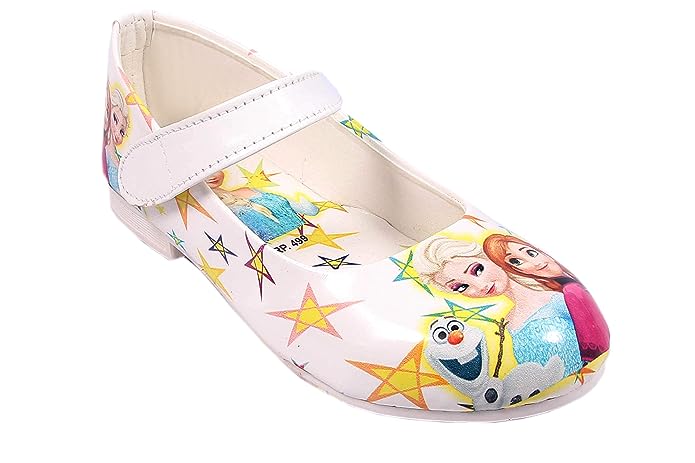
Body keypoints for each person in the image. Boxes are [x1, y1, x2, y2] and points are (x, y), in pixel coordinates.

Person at [413, 236, 582, 374]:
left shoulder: (558, 296)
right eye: (461, 287)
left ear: (488, 257)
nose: (480, 286)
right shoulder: (508, 323)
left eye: (477, 270)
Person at [483, 234, 609, 363]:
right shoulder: (563, 290)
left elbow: (594, 348)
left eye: (531, 253)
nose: (536, 263)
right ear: (514, 270)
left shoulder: (571, 291)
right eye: (516, 262)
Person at [205, 171, 318, 242]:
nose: (211, 176)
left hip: (307, 240)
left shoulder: (247, 190)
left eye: (212, 168)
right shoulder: (210, 213)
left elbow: (310, 210)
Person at [103, 84, 129, 192]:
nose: (117, 132)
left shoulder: (121, 158)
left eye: (122, 132)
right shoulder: (106, 154)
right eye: (115, 119)